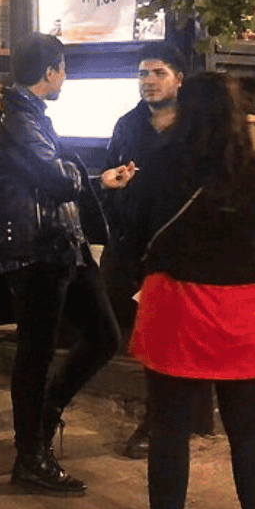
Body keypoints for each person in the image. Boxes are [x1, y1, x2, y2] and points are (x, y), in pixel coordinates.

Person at [125, 72, 255, 509]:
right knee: (249, 433)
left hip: (177, 306)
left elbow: (134, 229)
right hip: (243, 312)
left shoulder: (163, 164)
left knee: (170, 428)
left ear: (185, 111)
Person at [0, 32, 121, 495]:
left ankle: (47, 414)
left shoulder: (31, 117)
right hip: (35, 249)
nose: (65, 76)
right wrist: (82, 172)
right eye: (63, 68)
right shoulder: (18, 121)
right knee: (35, 353)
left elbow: (61, 178)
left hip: (63, 244)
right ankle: (31, 455)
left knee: (104, 335)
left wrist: (90, 177)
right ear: (50, 72)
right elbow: (57, 178)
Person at [100, 42, 213, 458]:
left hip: (180, 248)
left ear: (179, 79)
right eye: (143, 73)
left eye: (159, 72)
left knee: (178, 333)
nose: (148, 81)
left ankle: (167, 418)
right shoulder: (128, 125)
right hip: (134, 245)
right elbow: (112, 180)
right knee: (137, 330)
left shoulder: (195, 126)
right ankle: (166, 414)